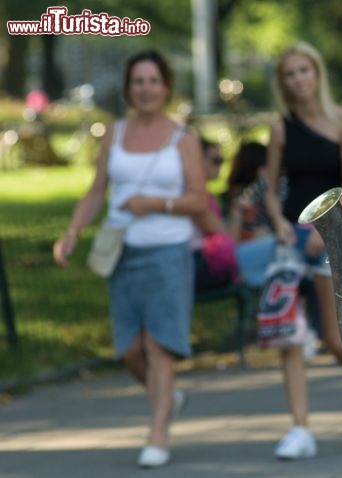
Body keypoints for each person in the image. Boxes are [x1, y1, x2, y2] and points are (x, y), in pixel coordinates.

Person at [52, 50, 207, 469]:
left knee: (159, 345)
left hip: (169, 250)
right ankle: (168, 399)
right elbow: (96, 191)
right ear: (128, 88)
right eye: (138, 81)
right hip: (122, 251)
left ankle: (158, 433)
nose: (146, 89)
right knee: (130, 350)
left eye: (153, 81)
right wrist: (71, 232)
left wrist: (157, 203)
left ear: (166, 87)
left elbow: (198, 198)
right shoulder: (115, 133)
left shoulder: (183, 138)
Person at [264, 41, 342, 459]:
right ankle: (300, 429)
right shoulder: (280, 128)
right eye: (290, 74)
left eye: (304, 71)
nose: (298, 80)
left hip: (330, 234)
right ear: (283, 83)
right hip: (290, 239)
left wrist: (328, 223)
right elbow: (273, 190)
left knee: (335, 338)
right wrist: (278, 222)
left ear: (316, 73)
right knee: (288, 338)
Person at [192, 137, 239, 292]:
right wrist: (236, 212)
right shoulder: (197, 198)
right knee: (278, 248)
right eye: (216, 160)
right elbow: (229, 240)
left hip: (207, 263)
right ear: (198, 160)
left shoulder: (207, 195)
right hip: (201, 267)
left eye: (222, 160)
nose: (220, 165)